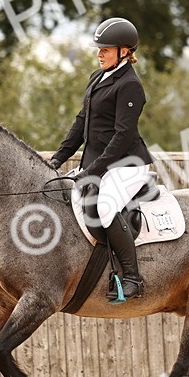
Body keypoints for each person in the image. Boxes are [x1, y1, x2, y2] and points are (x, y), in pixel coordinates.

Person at [48, 17, 154, 301]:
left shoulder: (130, 85)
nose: (99, 53)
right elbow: (81, 122)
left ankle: (132, 277)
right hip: (99, 162)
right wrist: (58, 158)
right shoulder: (98, 77)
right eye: (99, 49)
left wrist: (93, 170)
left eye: (105, 49)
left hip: (127, 164)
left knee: (105, 208)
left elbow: (122, 135)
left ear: (124, 51)